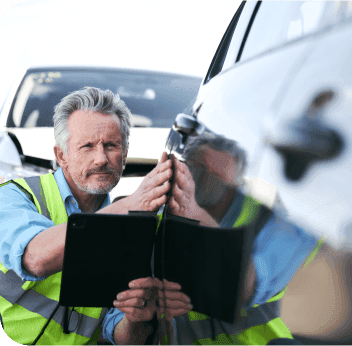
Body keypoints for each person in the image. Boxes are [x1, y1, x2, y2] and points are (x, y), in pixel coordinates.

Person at [0, 87, 191, 345]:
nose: (101, 159)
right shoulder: (13, 197)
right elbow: (35, 258)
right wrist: (131, 205)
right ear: (61, 156)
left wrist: (136, 317)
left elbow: (119, 337)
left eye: (111, 145)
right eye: (87, 146)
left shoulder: (134, 232)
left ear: (124, 155)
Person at [166, 132, 322, 345]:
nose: (202, 186)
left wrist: (194, 214)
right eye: (197, 173)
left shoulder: (287, 231)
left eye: (217, 181)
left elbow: (240, 287)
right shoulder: (168, 221)